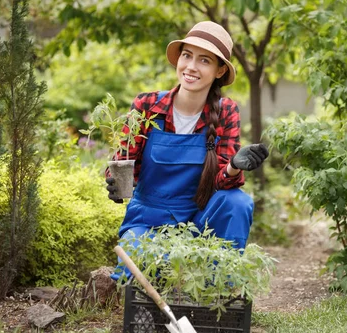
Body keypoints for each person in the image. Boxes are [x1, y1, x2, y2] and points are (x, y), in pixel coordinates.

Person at [106, 21, 269, 281]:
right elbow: (125, 163)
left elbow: (221, 183)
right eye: (187, 55)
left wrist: (234, 165)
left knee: (238, 202)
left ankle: (219, 289)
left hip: (198, 222)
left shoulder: (225, 111)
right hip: (148, 219)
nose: (191, 67)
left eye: (204, 60)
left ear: (218, 71)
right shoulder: (147, 105)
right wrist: (114, 179)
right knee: (135, 268)